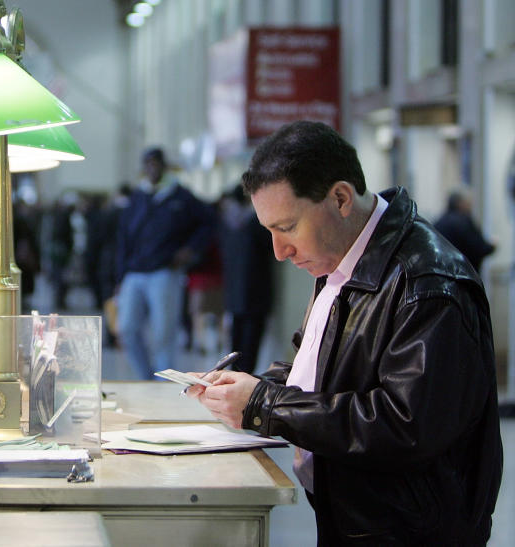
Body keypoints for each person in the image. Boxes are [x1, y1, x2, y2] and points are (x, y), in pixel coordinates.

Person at [186, 121, 502, 545]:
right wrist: (257, 386)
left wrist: (265, 404)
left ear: (339, 199)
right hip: (356, 516)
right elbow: (324, 373)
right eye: (270, 232)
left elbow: (404, 425)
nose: (280, 252)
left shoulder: (426, 285)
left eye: (288, 227)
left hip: (406, 531)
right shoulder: (342, 261)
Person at [115, 147, 215, 378]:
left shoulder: (180, 195)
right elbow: (123, 238)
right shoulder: (138, 197)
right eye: (148, 163)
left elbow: (208, 222)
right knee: (126, 329)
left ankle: (162, 381)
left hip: (164, 272)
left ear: (163, 165)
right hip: (134, 272)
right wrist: (119, 277)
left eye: (156, 163)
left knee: (164, 333)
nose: (152, 168)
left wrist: (190, 249)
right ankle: (146, 377)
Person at [217, 185, 274, 373]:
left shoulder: (227, 223)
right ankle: (244, 376)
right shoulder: (259, 222)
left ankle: (236, 374)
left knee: (236, 339)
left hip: (235, 290)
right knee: (250, 340)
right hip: (256, 290)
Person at [433, 189, 495, 273]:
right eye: (468, 203)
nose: (470, 206)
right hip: (464, 275)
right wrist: (492, 246)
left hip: (442, 274)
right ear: (461, 203)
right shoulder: (464, 222)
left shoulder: (439, 222)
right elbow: (478, 248)